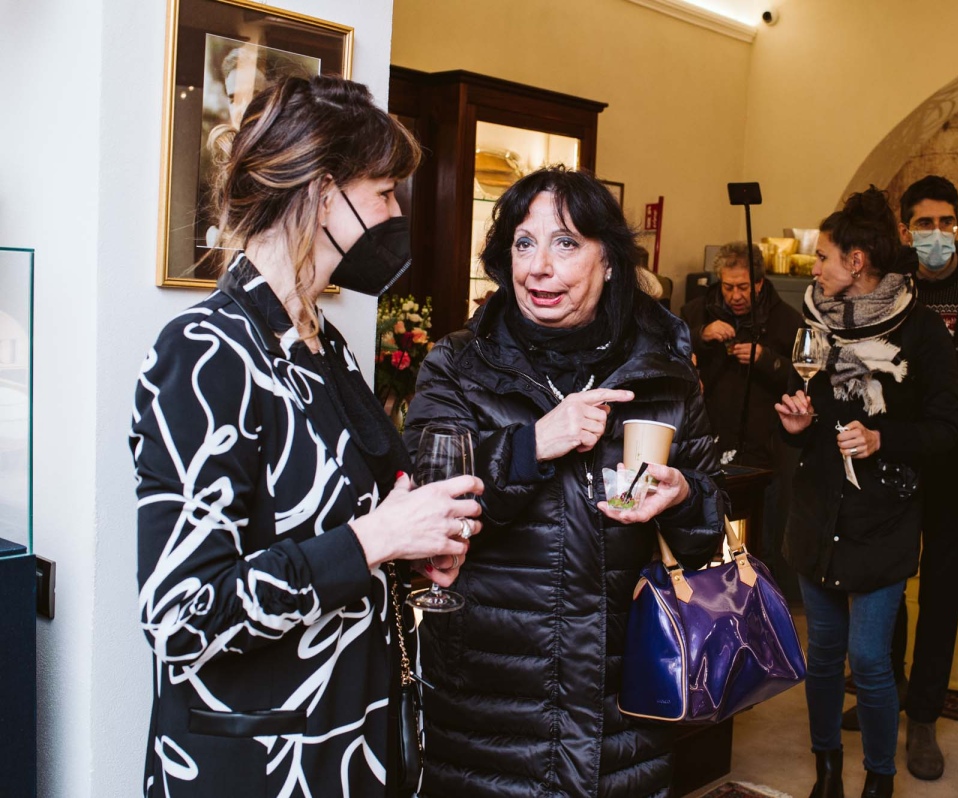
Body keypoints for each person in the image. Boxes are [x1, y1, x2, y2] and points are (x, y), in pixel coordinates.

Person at [130, 76, 481, 797]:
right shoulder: (205, 354)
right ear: (325, 195)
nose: (396, 214)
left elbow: (339, 532)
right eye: (385, 193)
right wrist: (376, 540)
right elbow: (182, 619)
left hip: (351, 743)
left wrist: (409, 553)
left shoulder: (327, 346)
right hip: (261, 765)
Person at [403, 166, 726, 797]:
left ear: (610, 262)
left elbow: (709, 529)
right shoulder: (458, 365)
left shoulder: (664, 374)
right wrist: (533, 445)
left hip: (626, 702)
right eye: (524, 244)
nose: (539, 268)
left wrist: (684, 496)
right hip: (490, 699)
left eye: (566, 243)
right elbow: (423, 501)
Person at [775, 187, 958, 798]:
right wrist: (799, 428)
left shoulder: (921, 329)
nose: (814, 268)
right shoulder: (814, 323)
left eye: (823, 256)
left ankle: (880, 778)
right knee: (824, 655)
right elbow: (811, 418)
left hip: (883, 518)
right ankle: (827, 769)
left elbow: (946, 429)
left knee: (872, 659)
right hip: (818, 512)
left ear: (856, 262)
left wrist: (882, 439)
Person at [839, 175, 958, 779]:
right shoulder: (889, 282)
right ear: (905, 229)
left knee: (942, 598)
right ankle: (885, 691)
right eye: (925, 224)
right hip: (893, 459)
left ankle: (923, 716)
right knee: (887, 587)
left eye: (947, 222)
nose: (937, 234)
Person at [681, 240, 802, 589]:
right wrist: (701, 335)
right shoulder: (695, 311)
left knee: (762, 528)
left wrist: (766, 359)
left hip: (764, 442)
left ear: (759, 283)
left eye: (744, 287)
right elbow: (671, 351)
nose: (735, 295)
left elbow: (802, 377)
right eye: (728, 286)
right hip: (709, 434)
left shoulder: (786, 320)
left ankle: (761, 590)